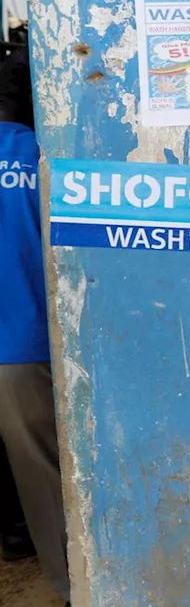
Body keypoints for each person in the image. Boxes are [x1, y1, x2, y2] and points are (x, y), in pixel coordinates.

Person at [0, 47, 70, 606]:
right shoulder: (47, 156)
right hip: (24, 344)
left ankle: (16, 535)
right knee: (44, 472)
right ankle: (75, 586)